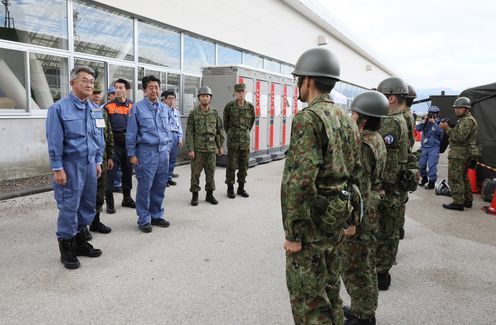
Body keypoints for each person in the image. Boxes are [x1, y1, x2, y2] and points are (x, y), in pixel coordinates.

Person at [281, 47, 362, 325]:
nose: (298, 85)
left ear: (308, 80)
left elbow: (301, 181)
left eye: (299, 79)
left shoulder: (308, 118)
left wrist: (293, 233)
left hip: (312, 225)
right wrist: (351, 218)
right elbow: (356, 174)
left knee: (308, 300)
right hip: (336, 219)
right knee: (330, 290)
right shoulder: (347, 120)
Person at [46, 66, 104, 269]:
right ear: (72, 83)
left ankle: (80, 242)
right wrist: (57, 168)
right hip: (70, 165)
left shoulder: (96, 109)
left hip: (89, 164)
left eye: (91, 81)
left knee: (88, 204)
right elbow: (54, 141)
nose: (89, 84)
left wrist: (97, 161)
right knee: (69, 206)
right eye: (84, 80)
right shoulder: (59, 109)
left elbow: (99, 137)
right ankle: (67, 247)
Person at [340, 91, 388, 325]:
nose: (351, 116)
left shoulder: (362, 144)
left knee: (355, 266)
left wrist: (351, 222)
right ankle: (364, 308)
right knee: (365, 263)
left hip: (361, 211)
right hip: (372, 207)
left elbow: (358, 187)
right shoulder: (377, 139)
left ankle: (363, 316)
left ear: (365, 119)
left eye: (354, 113)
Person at [375, 76, 409, 291]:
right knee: (390, 230)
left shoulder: (389, 122)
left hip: (388, 186)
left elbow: (384, 158)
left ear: (392, 98)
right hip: (396, 185)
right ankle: (383, 270)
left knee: (385, 231)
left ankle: (381, 273)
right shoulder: (403, 120)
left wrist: (378, 185)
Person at [126, 75, 172, 232]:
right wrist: (131, 154)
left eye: (157, 87)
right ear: (144, 90)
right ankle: (144, 218)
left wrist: (169, 147)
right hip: (147, 152)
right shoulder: (137, 108)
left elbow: (168, 131)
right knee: (145, 187)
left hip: (163, 152)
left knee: (160, 185)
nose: (154, 90)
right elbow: (131, 134)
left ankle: (156, 214)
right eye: (151, 87)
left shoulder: (165, 108)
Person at [186, 86, 225, 206]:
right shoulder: (193, 113)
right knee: (195, 173)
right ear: (199, 98)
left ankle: (209, 195)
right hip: (198, 149)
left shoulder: (214, 113)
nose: (205, 98)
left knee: (210, 173)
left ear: (210, 98)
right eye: (202, 96)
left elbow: (219, 130)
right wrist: (191, 149)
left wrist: (220, 146)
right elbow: (189, 132)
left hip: (211, 149)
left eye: (207, 96)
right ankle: (195, 195)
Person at [440, 97, 478, 211]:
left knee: (455, 178)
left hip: (460, 154)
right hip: (462, 153)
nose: (456, 110)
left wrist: (446, 128)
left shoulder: (467, 121)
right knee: (463, 177)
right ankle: (467, 200)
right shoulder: (465, 120)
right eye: (455, 108)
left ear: (467, 109)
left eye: (459, 108)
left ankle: (458, 202)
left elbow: (459, 137)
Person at [104, 79, 136, 214]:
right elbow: (105, 129)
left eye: (120, 87)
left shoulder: (133, 106)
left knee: (128, 172)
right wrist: (108, 151)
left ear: (126, 90)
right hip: (114, 145)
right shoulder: (108, 107)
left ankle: (127, 198)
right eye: (116, 87)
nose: (117, 90)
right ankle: (110, 202)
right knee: (110, 173)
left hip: (128, 145)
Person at [223, 83, 255, 198]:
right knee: (231, 165)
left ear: (245, 93)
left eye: (243, 92)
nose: (241, 94)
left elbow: (251, 123)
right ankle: (230, 188)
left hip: (245, 142)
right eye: (238, 92)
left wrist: (243, 133)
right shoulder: (229, 107)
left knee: (243, 166)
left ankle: (241, 188)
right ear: (235, 93)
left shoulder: (250, 107)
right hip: (233, 141)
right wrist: (232, 134)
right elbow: (225, 124)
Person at [89, 83, 113, 235]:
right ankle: (81, 227)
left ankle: (95, 221)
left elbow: (108, 134)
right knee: (86, 193)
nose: (97, 95)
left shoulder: (102, 112)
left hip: (102, 158)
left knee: (100, 190)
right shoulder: (83, 111)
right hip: (87, 159)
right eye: (94, 92)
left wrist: (110, 156)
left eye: (99, 93)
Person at [416, 105, 443, 189]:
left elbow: (440, 132)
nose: (432, 115)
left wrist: (434, 123)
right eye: (430, 113)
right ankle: (424, 179)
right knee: (421, 165)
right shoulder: (425, 122)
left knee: (431, 165)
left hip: (434, 147)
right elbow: (418, 129)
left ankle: (432, 182)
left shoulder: (440, 123)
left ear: (437, 114)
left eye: (434, 113)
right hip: (424, 147)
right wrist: (424, 120)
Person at [161, 90, 183, 186]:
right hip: (166, 135)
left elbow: (179, 126)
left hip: (175, 135)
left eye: (173, 98)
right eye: (169, 98)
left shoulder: (176, 111)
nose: (171, 100)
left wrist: (180, 137)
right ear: (165, 100)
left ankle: (169, 177)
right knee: (165, 159)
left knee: (173, 158)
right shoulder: (162, 110)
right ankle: (163, 180)